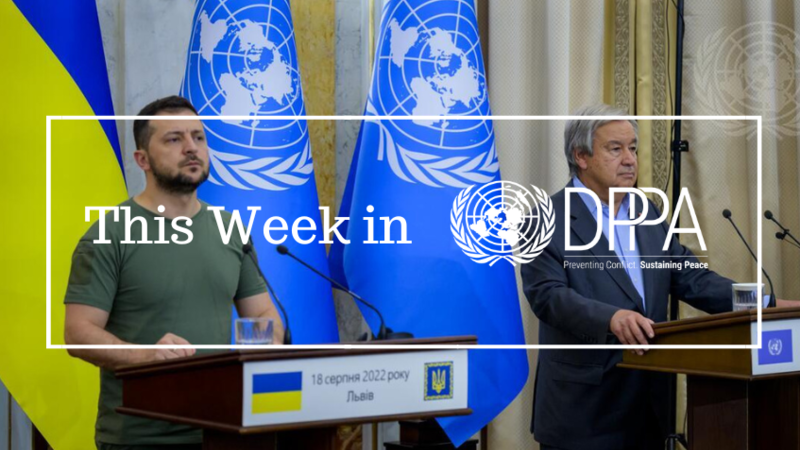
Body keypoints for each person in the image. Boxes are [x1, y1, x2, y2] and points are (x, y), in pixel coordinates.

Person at [521, 104, 769, 449]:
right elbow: (548, 297)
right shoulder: (545, 219)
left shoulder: (646, 211)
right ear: (581, 156)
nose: (629, 160)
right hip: (584, 413)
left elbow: (692, 278)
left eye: (633, 148)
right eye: (615, 149)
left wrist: (765, 304)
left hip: (648, 409)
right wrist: (611, 318)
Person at [63, 96, 284, 450]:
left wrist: (263, 350)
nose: (191, 148)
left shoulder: (229, 228)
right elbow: (77, 334)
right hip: (141, 437)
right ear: (142, 160)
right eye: (174, 139)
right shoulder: (109, 234)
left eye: (198, 137)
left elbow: (260, 313)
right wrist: (146, 356)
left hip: (224, 428)